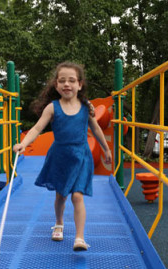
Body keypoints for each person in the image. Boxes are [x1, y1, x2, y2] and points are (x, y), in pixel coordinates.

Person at [13, 62, 112, 251]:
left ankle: (80, 238)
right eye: (62, 81)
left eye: (72, 80)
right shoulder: (52, 108)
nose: (67, 84)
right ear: (56, 85)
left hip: (81, 156)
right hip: (60, 157)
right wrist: (23, 144)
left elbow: (96, 129)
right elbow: (36, 128)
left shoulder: (85, 108)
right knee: (61, 195)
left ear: (80, 85)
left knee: (77, 195)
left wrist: (106, 149)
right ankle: (59, 223)